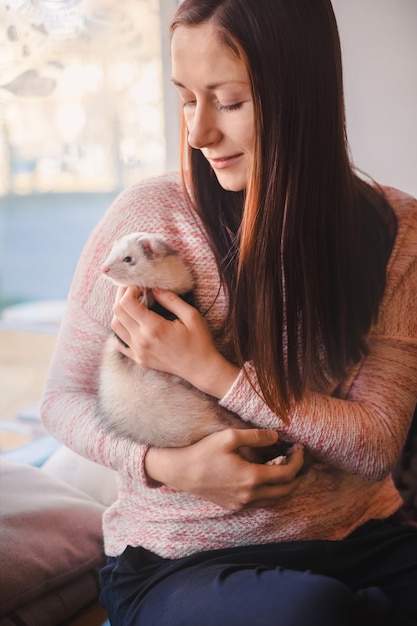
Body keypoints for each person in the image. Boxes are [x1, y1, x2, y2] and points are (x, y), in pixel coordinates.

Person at [41, 0, 417, 624]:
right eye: (187, 98)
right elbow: (63, 398)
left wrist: (211, 372)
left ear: (304, 99)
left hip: (359, 540)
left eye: (230, 101)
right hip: (183, 560)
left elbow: (375, 444)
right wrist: (168, 466)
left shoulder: (396, 230)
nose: (198, 133)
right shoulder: (146, 222)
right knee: (311, 611)